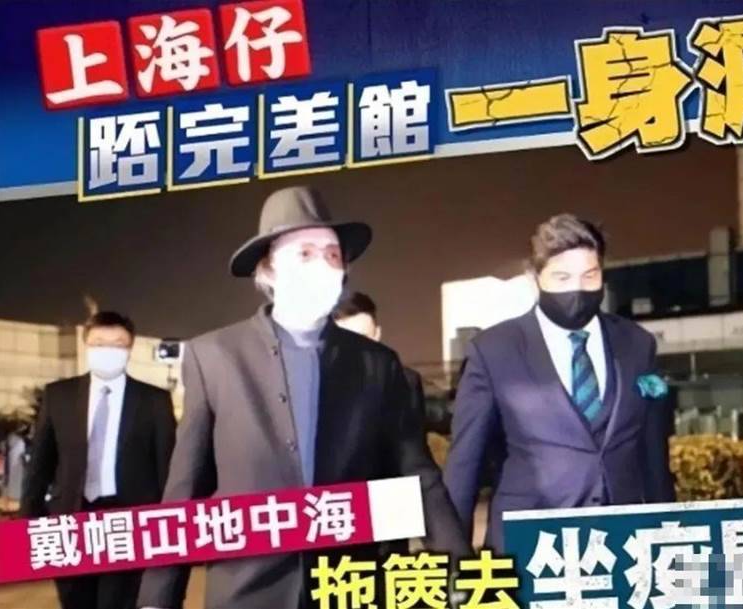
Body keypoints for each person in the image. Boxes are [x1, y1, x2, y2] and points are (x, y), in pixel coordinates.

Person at [137, 186, 468, 609]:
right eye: (305, 254)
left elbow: (417, 475)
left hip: (347, 586)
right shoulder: (215, 356)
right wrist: (156, 599)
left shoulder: (376, 364)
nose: (322, 266)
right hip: (247, 593)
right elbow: (183, 493)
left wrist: (460, 569)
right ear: (268, 269)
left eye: (332, 254)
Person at [444, 214, 675, 551]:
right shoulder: (494, 350)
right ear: (534, 278)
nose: (576, 289)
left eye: (589, 276)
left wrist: (668, 537)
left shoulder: (637, 345)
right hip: (528, 547)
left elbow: (653, 455)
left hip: (621, 545)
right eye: (562, 277)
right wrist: (453, 558)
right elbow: (465, 463)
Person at [21, 311, 177, 609]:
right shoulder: (59, 395)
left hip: (128, 521)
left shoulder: (154, 400)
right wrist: (29, 521)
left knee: (118, 602)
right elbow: (40, 465)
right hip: (70, 519)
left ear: (130, 348)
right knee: (74, 601)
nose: (108, 351)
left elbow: (167, 469)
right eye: (99, 343)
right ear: (87, 345)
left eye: (117, 344)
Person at [333, 291, 427, 418]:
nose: (355, 348)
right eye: (346, 340)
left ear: (377, 334)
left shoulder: (406, 382)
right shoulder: (315, 382)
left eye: (363, 339)